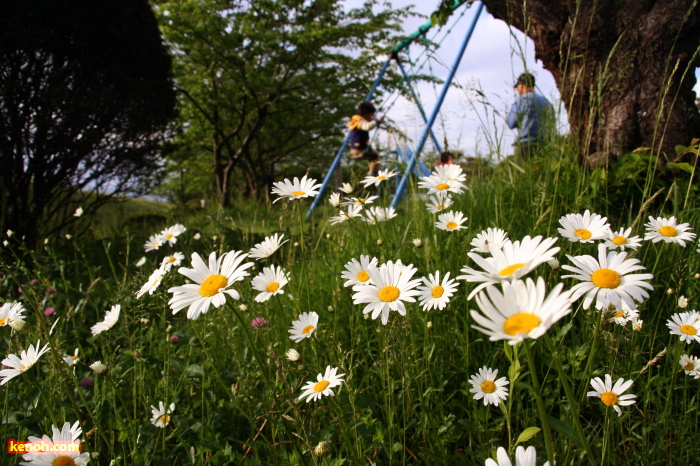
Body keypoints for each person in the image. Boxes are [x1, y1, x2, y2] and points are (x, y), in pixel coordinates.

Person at [506, 73, 554, 160]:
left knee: (524, 172)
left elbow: (511, 123)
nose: (517, 89)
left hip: (526, 144)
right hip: (545, 144)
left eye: (518, 86)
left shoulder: (521, 100)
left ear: (521, 85)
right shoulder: (547, 103)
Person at [348, 101, 383, 174]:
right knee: (375, 156)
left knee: (374, 155)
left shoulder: (356, 120)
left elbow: (366, 124)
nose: (371, 117)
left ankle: (374, 171)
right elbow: (368, 126)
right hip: (360, 149)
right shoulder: (360, 121)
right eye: (370, 115)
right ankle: (373, 172)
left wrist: (373, 121)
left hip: (357, 148)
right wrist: (377, 122)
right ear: (365, 113)